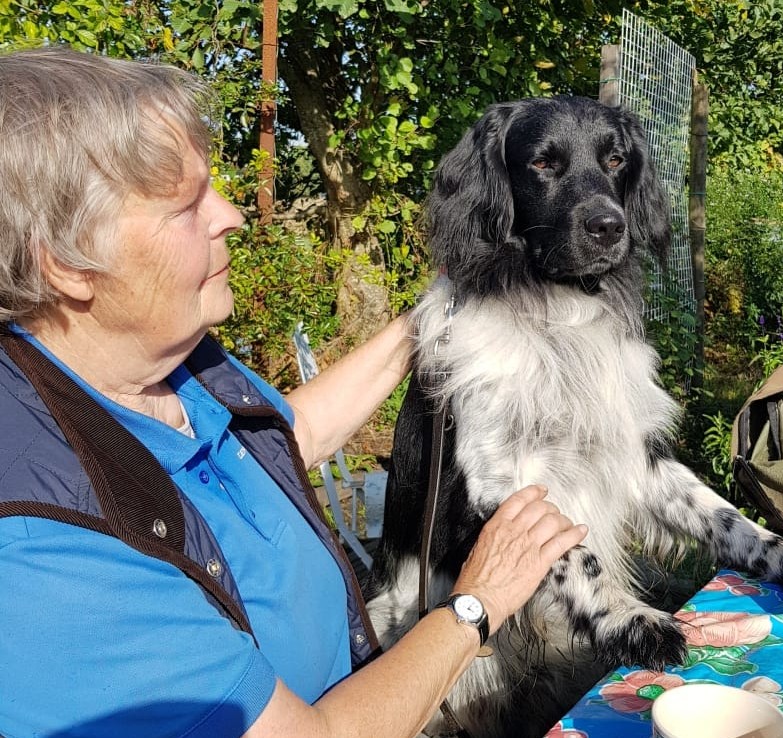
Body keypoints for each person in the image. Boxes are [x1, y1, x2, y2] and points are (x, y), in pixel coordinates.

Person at [0, 47, 588, 738]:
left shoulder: (169, 368)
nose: (233, 216)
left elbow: (284, 440)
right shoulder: (45, 548)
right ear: (69, 264)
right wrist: (474, 606)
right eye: (188, 206)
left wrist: (437, 306)